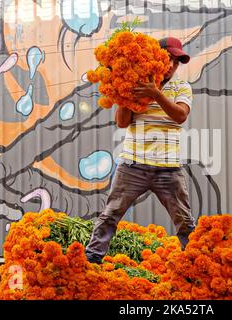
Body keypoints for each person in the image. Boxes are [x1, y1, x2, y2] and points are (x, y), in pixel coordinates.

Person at [85, 37, 195, 264]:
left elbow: (180, 116)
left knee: (184, 220)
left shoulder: (181, 87)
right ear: (156, 58)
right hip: (133, 165)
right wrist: (126, 92)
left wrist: (156, 94)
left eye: (177, 61)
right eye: (169, 59)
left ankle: (195, 262)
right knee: (110, 214)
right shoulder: (137, 84)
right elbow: (122, 123)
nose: (173, 65)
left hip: (169, 168)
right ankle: (91, 260)